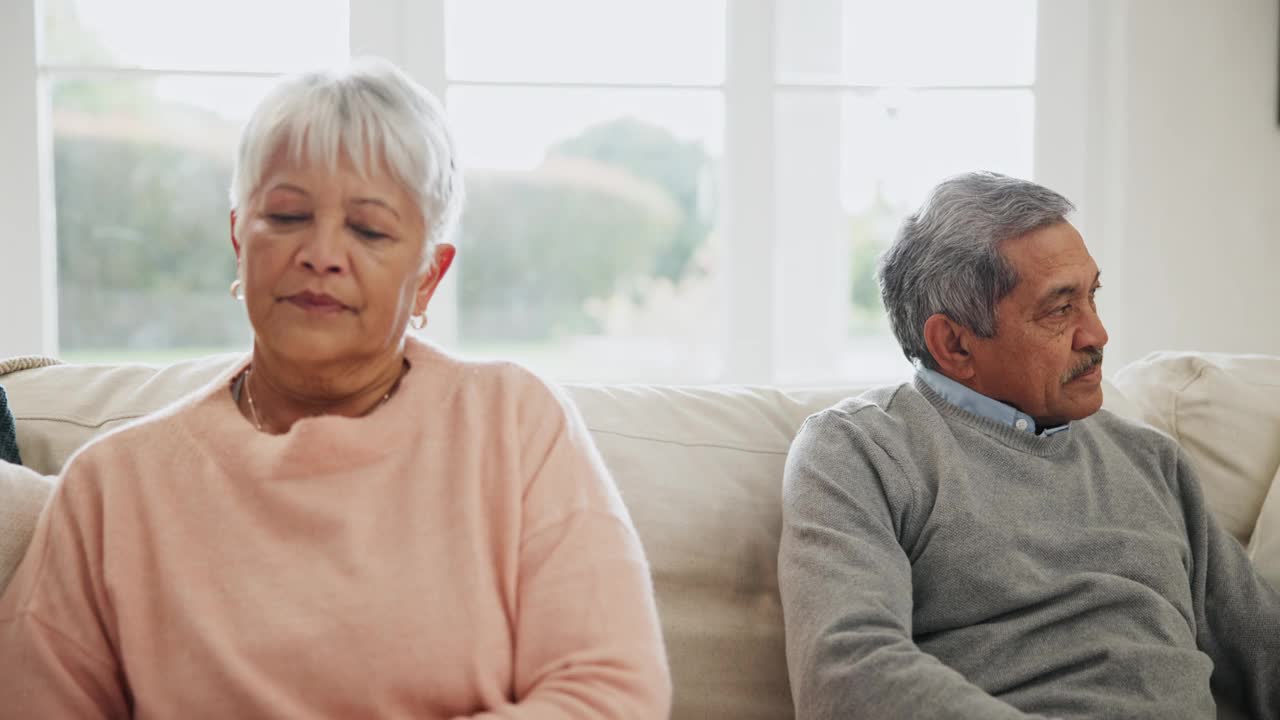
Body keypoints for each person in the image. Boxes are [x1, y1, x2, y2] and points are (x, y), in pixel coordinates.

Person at [0, 58, 670, 718]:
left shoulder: (514, 424)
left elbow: (609, 693)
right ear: (240, 238)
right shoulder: (113, 487)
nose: (321, 253)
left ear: (429, 276)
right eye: (287, 216)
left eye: (369, 229)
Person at [777, 171, 1280, 719]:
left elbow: (1266, 652)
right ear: (954, 344)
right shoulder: (861, 449)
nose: (1097, 334)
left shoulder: (1150, 460)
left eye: (1092, 297)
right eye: (1060, 309)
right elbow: (847, 675)